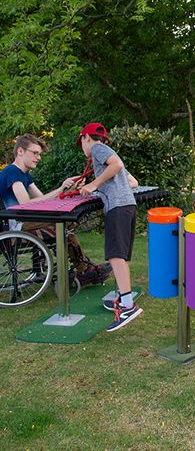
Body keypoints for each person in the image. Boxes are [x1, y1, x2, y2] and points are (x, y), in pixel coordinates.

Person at [0, 133, 112, 285]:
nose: (38, 157)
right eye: (35, 153)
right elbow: (25, 204)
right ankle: (83, 269)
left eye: (39, 154)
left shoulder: (24, 175)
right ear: (20, 151)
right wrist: (60, 189)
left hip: (22, 222)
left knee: (67, 225)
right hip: (15, 226)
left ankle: (83, 267)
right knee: (63, 225)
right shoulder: (12, 172)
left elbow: (43, 200)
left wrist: (67, 189)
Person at [77, 123, 142, 332]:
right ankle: (124, 301)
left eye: (81, 143)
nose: (83, 148)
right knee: (119, 256)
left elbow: (117, 165)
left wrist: (94, 184)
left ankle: (128, 307)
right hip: (128, 205)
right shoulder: (106, 151)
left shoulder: (97, 148)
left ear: (87, 137)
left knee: (115, 255)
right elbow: (132, 181)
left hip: (118, 207)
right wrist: (101, 187)